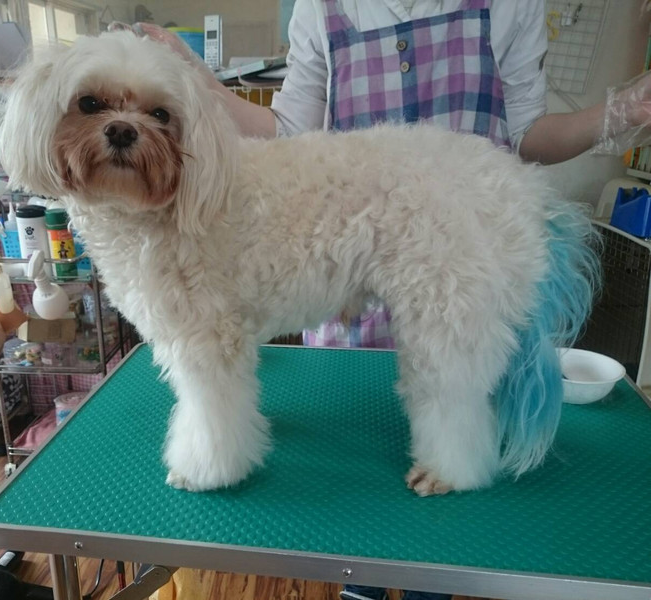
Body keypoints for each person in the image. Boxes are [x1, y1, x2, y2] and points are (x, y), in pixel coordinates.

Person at [132, 1, 651, 598]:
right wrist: (195, 80)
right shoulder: (321, 8)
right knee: (356, 543)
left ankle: (454, 464)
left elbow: (529, 130)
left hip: (461, 213)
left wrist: (624, 111)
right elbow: (289, 128)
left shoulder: (511, 3)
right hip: (328, 263)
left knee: (440, 501)